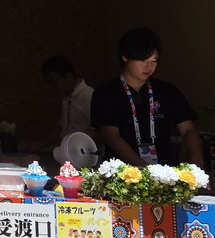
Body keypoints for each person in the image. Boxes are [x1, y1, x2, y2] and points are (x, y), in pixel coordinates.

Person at [91, 28, 204, 168]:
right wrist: (146, 171)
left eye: (154, 61)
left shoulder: (167, 91)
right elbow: (111, 137)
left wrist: (196, 158)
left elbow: (187, 129)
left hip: (165, 171)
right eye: (143, 60)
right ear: (125, 57)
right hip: (121, 173)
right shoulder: (106, 93)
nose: (149, 66)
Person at [42, 55, 94, 140]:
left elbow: (103, 133)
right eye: (48, 82)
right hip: (67, 148)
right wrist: (38, 145)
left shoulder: (89, 96)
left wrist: (85, 148)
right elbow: (62, 128)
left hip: (84, 149)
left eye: (53, 81)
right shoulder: (66, 98)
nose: (51, 86)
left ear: (69, 77)